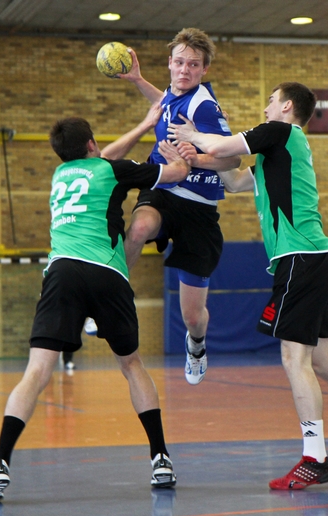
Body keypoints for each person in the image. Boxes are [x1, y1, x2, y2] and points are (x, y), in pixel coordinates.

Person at [168, 82, 328, 490]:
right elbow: (234, 181)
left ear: (286, 106)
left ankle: (315, 458)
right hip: (313, 259)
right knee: (325, 361)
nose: (265, 107)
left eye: (270, 101)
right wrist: (198, 158)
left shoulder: (281, 132)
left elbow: (226, 146)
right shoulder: (275, 156)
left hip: (301, 259)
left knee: (293, 358)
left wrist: (194, 134)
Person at [0, 104, 190, 503]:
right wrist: (180, 154)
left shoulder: (60, 175)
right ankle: (160, 458)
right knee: (132, 365)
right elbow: (174, 173)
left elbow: (101, 158)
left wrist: (142, 124)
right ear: (92, 143)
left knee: (37, 371)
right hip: (107, 273)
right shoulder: (113, 170)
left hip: (63, 273)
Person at [105, 27, 241, 385]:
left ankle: (196, 345)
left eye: (193, 65)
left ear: (204, 70)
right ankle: (108, 293)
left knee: (193, 317)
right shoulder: (174, 94)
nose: (184, 70)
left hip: (198, 209)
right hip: (164, 190)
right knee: (138, 227)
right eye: (179, 63)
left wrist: (196, 158)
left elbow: (231, 161)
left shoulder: (205, 107)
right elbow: (164, 102)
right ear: (169, 63)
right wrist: (138, 80)